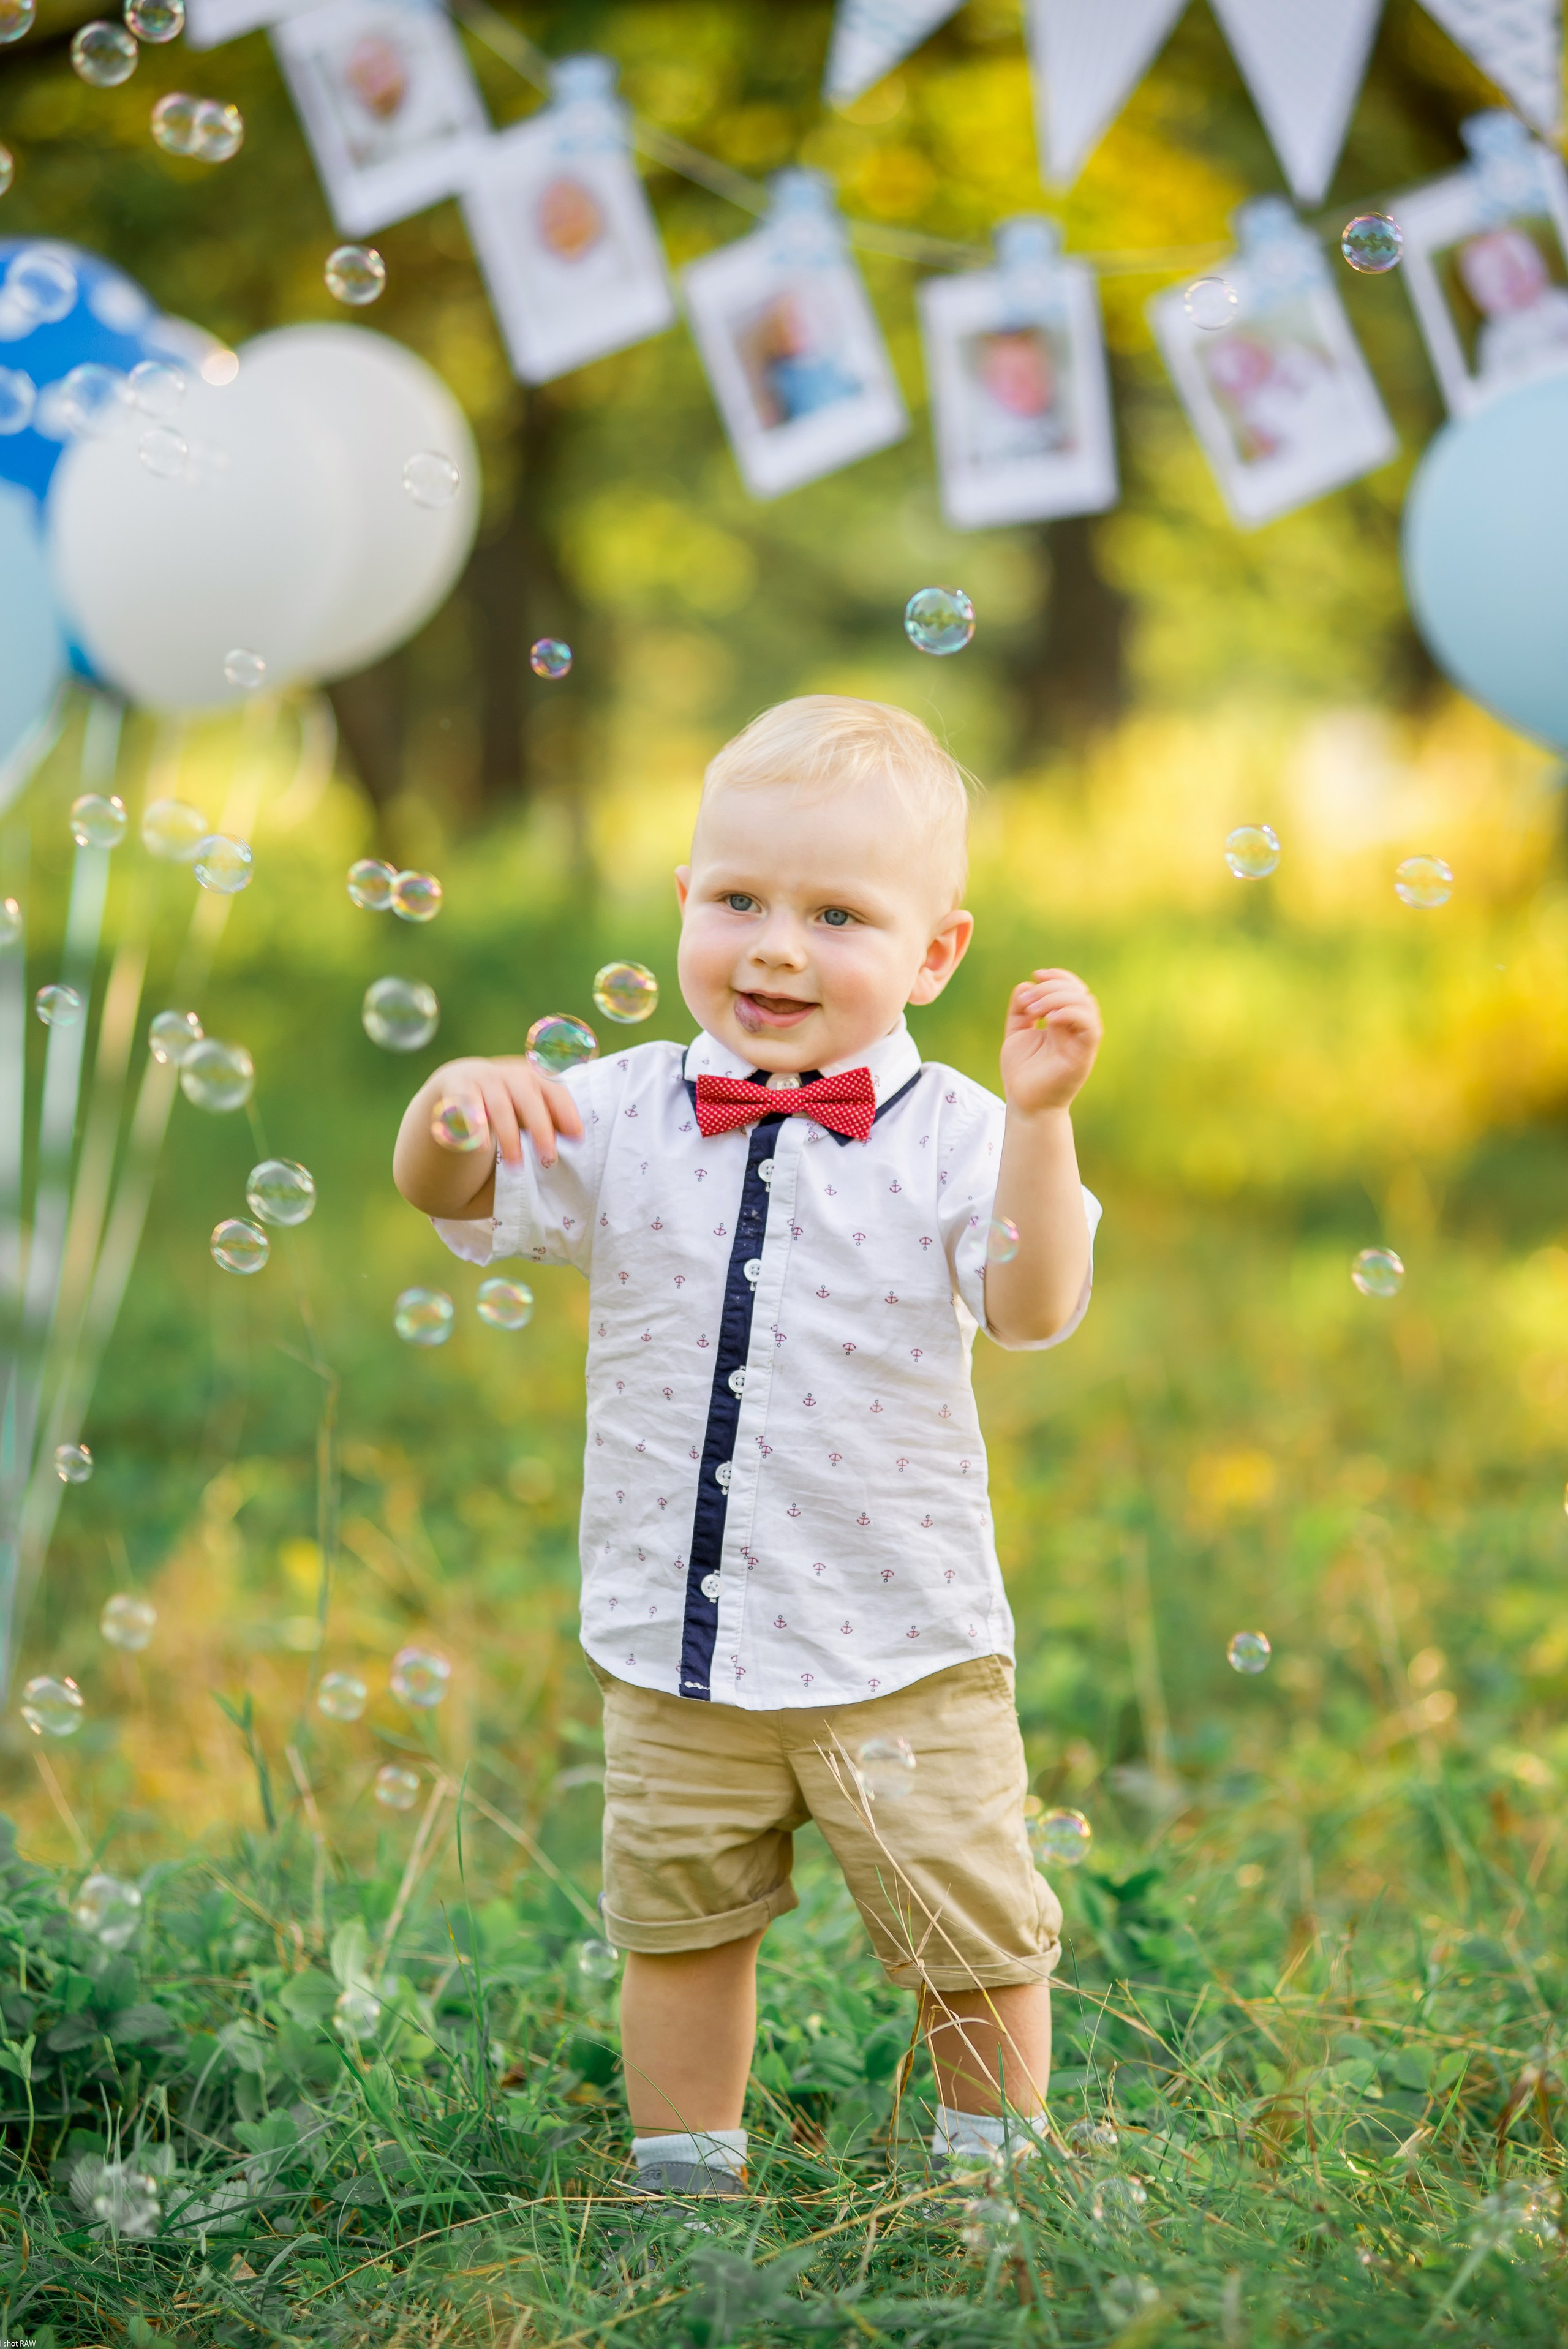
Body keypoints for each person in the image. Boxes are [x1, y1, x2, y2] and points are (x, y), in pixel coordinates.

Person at [393, 695, 1102, 2195]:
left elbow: (1033, 1310)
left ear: (934, 954)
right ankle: (685, 2191)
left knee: (968, 1936)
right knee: (678, 1925)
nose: (775, 946)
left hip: (896, 1639)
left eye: (836, 914)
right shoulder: (621, 1109)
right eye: (738, 900)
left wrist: (1042, 1120)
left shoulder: (960, 1133)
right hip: (676, 1643)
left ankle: (996, 2179)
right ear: (681, 906)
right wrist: (450, 1108)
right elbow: (451, 1198)